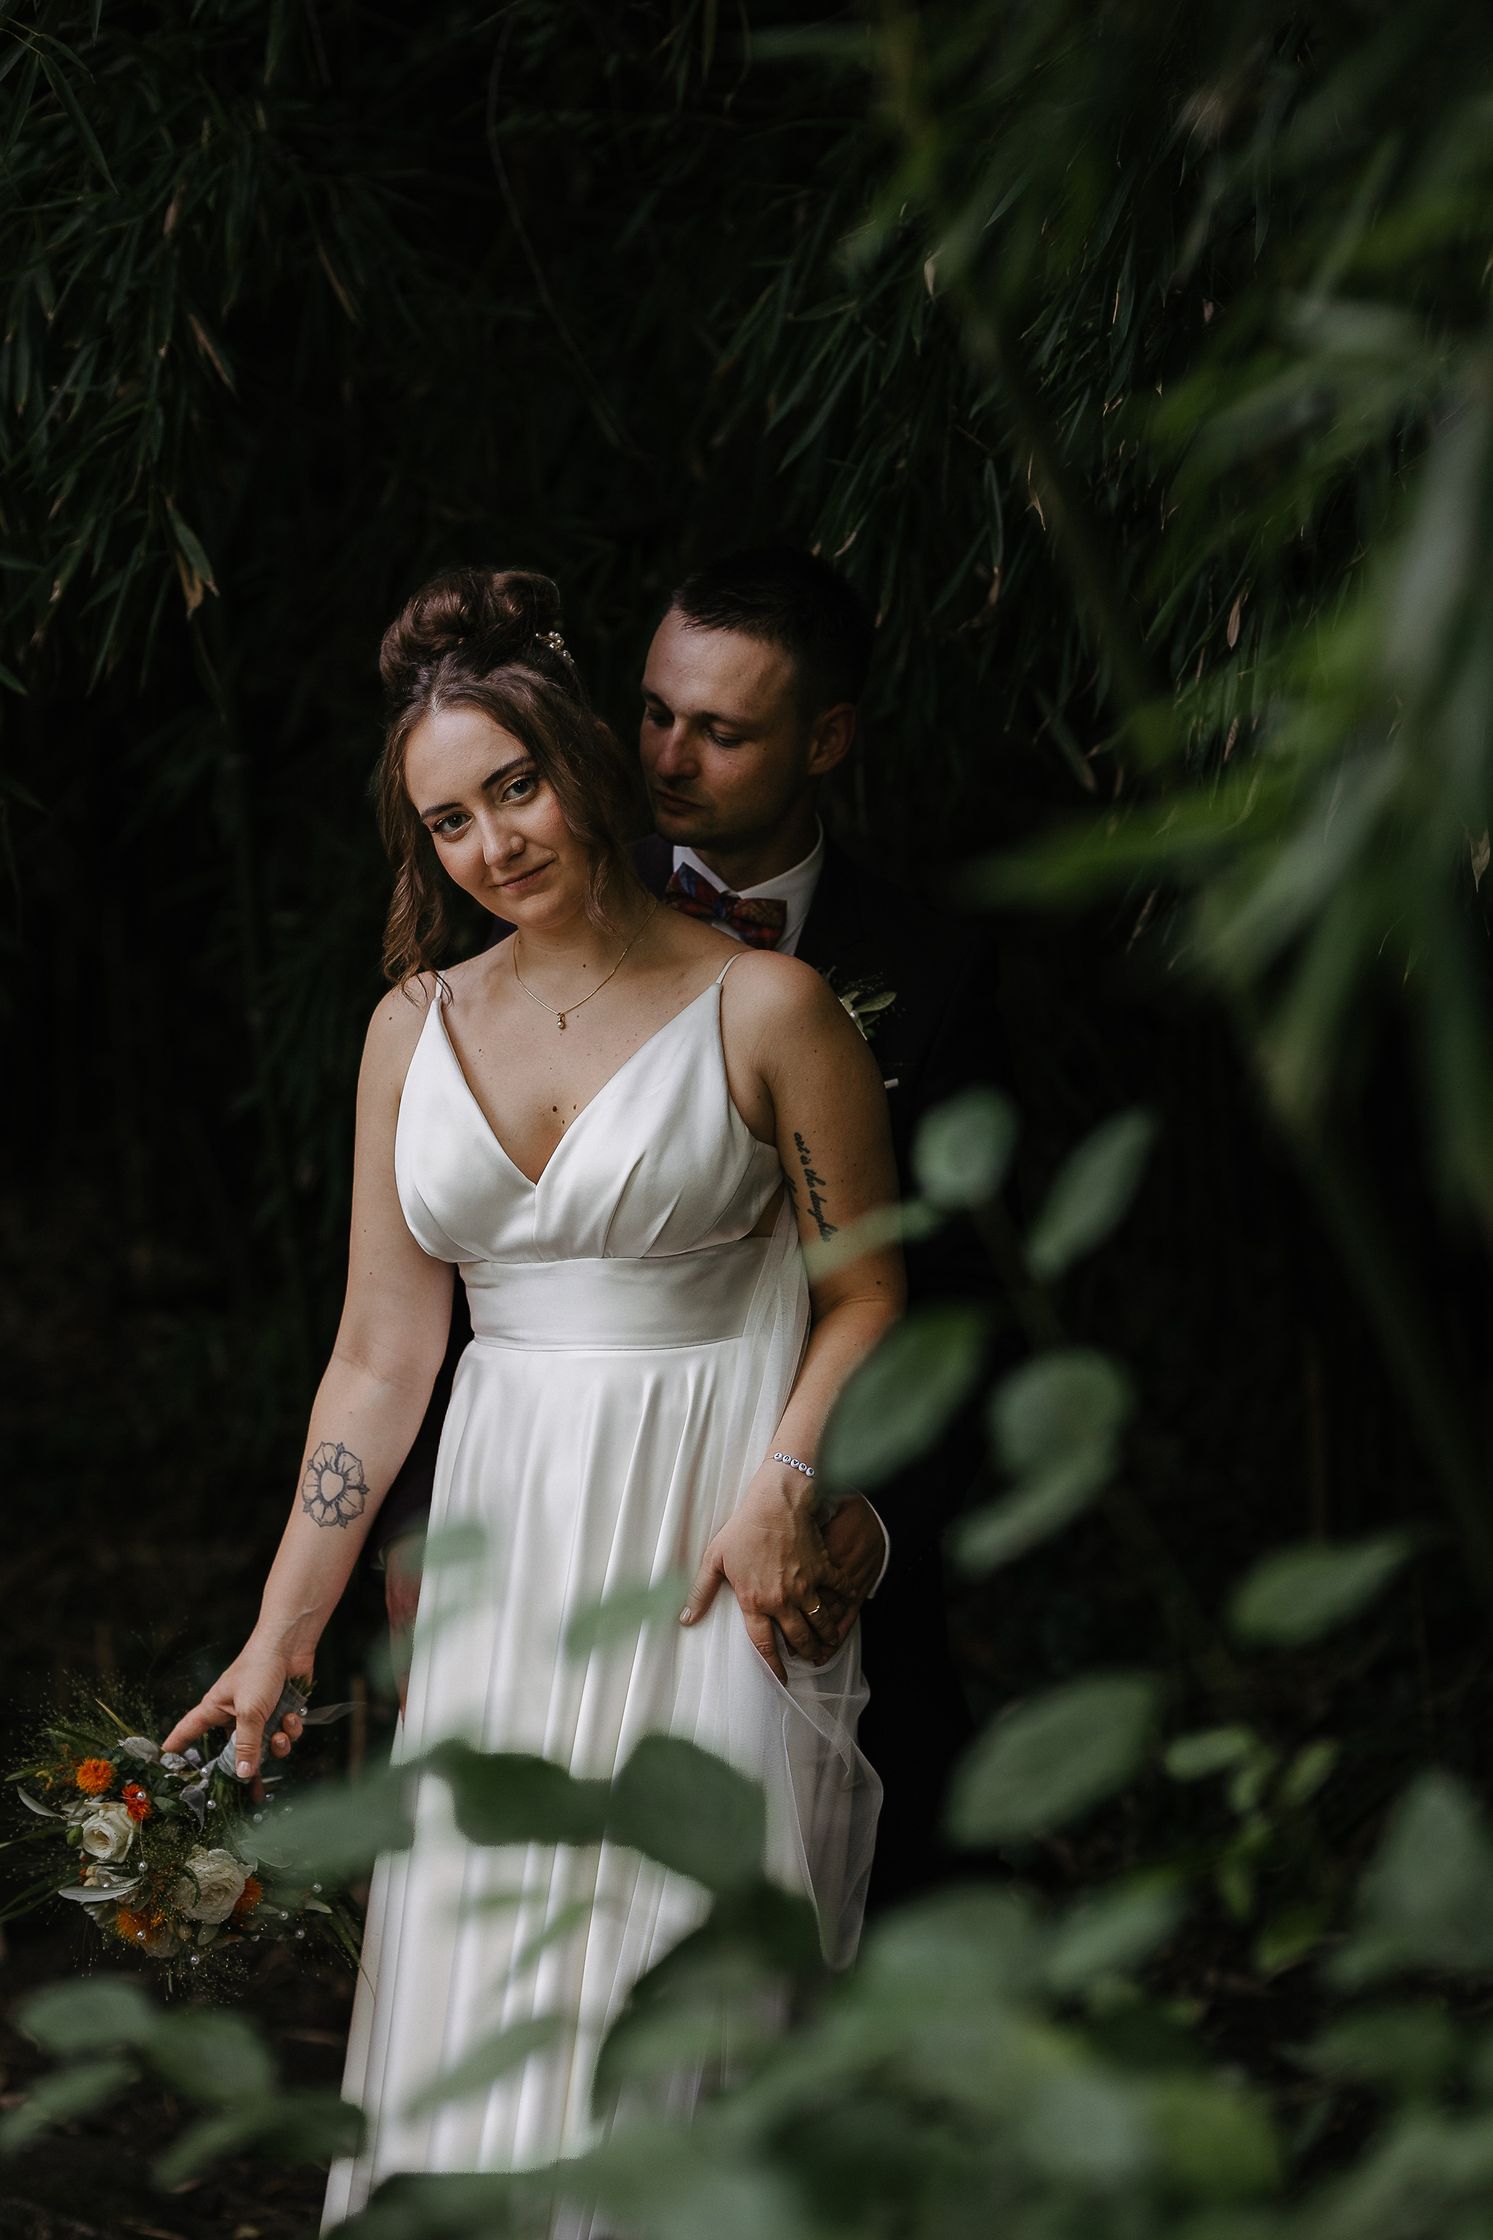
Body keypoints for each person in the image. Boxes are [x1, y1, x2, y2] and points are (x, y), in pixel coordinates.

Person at [162, 566, 899, 2228]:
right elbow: (377, 1354)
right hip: (506, 1565)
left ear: (585, 758)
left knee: (669, 1975)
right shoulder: (407, 1032)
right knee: (493, 1979)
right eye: (446, 823)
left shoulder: (765, 1005)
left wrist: (786, 1475)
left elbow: (864, 1292)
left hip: (700, 1530)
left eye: (515, 787)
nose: (492, 845)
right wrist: (283, 1631)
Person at [373, 547, 1003, 1905]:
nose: (667, 756)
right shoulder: (529, 893)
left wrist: (866, 1520)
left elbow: (950, 1285)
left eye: (720, 731)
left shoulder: (930, 970)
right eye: (652, 712)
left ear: (825, 738)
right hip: (540, 1519)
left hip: (806, 1533)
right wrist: (418, 1526)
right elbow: (459, 1276)